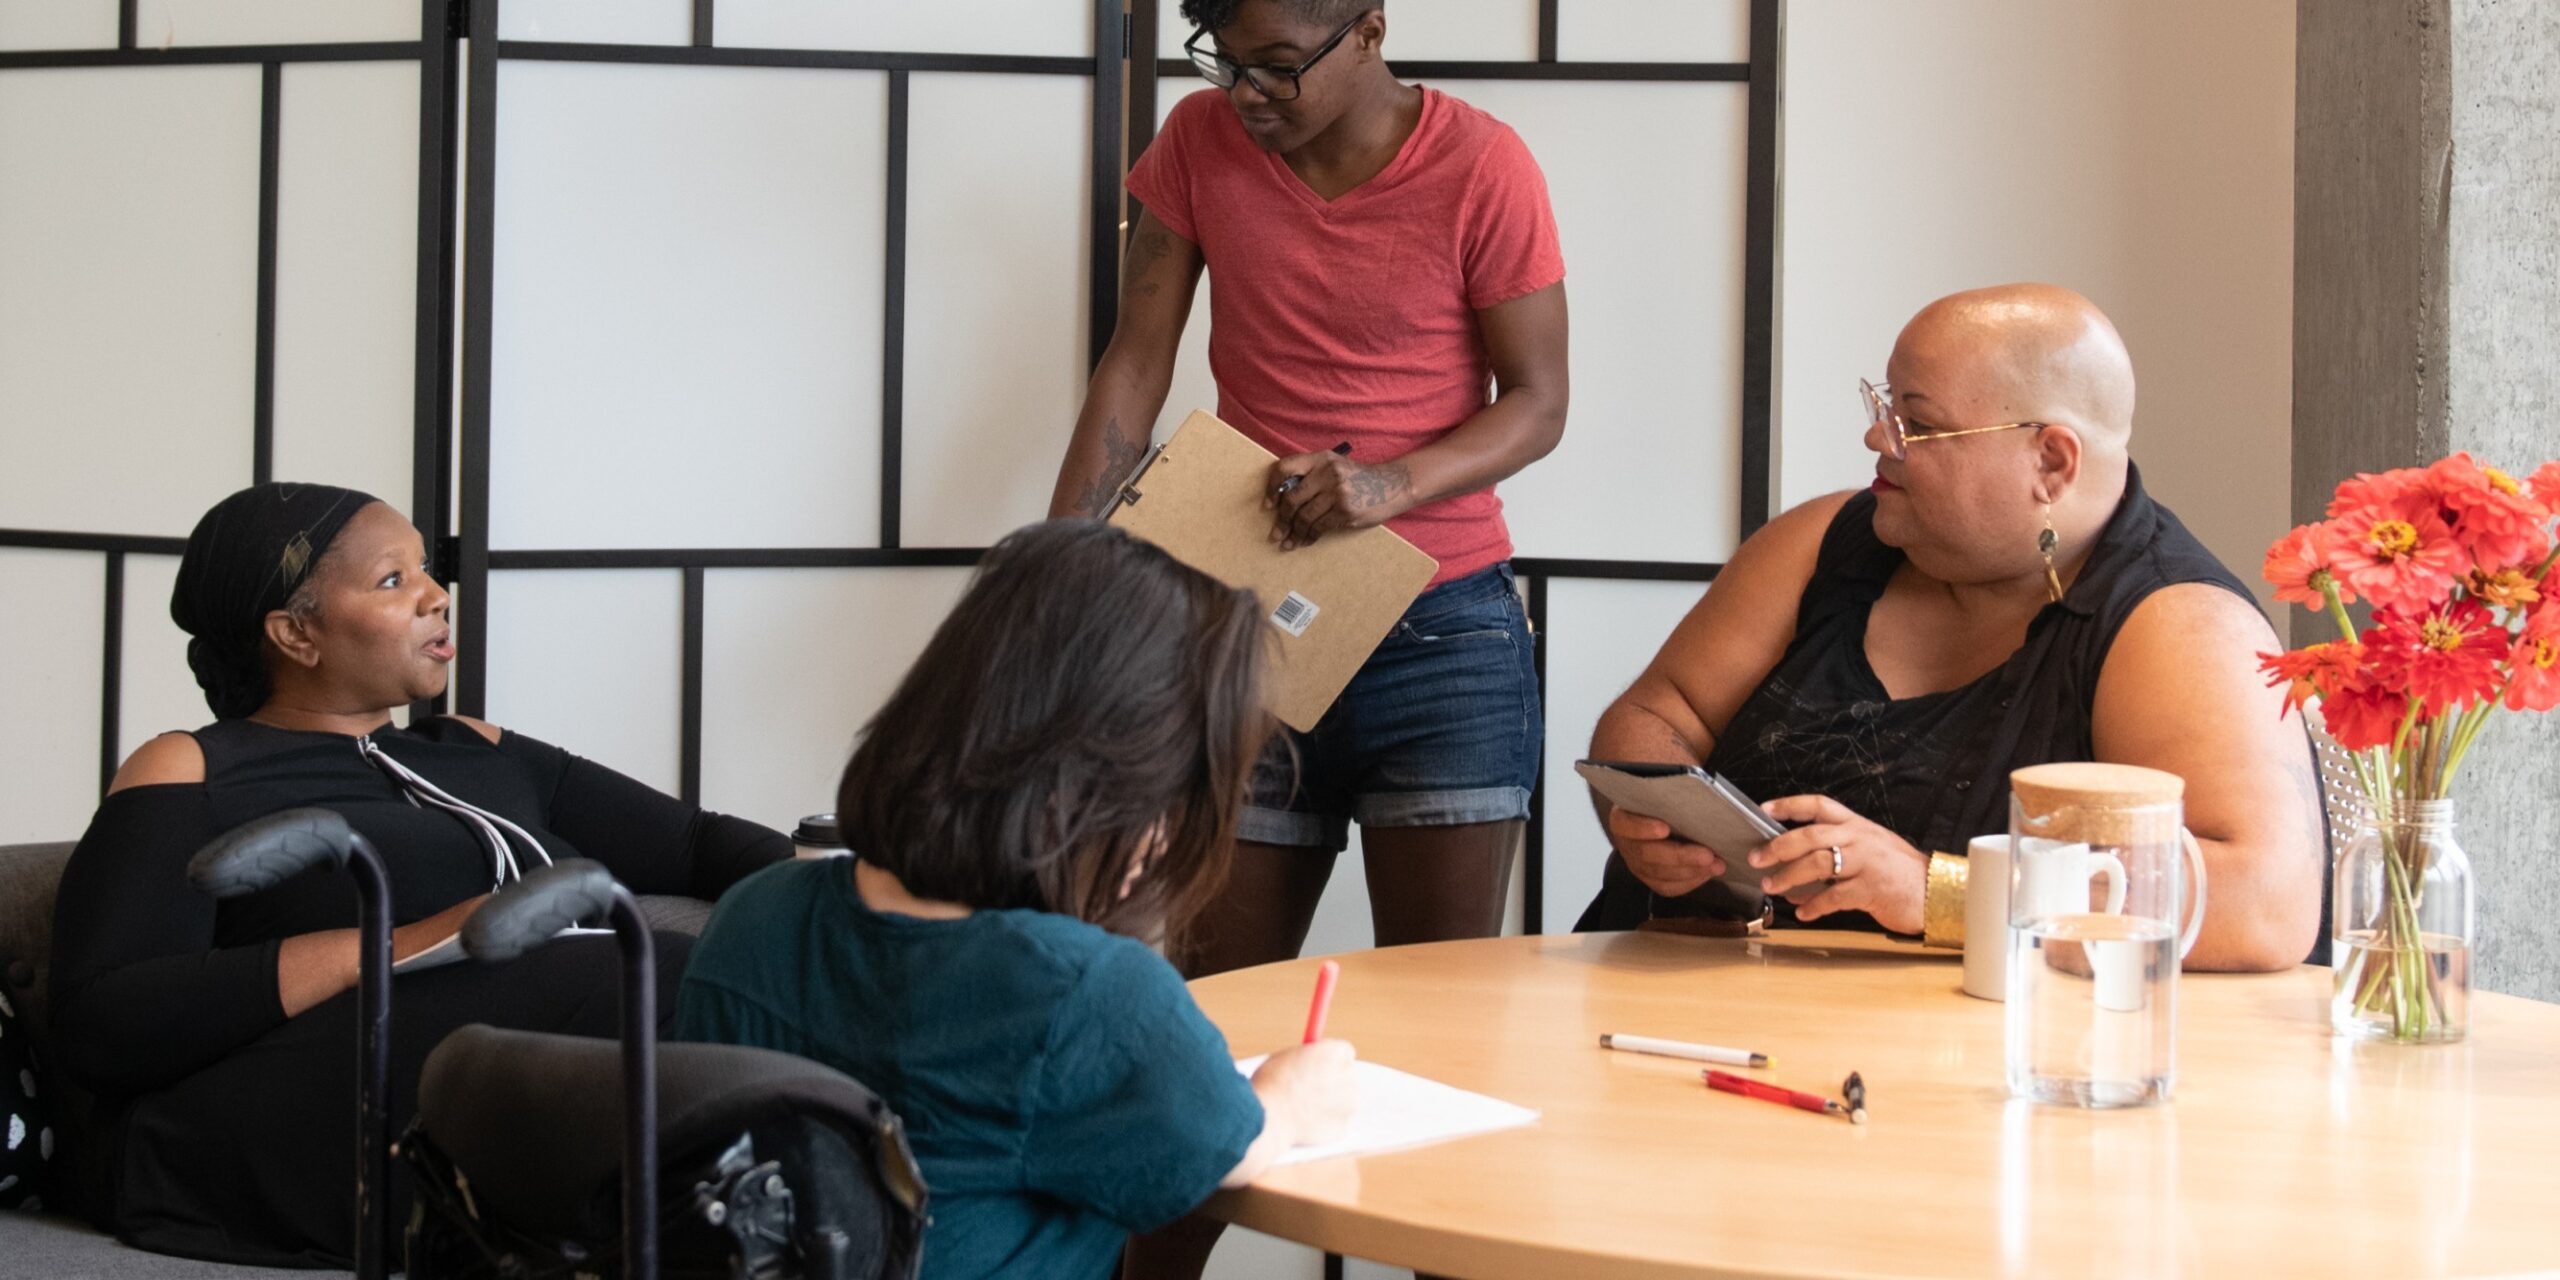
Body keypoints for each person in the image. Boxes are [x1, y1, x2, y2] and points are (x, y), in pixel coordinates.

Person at [46, 482, 791, 1266]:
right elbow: (104, 1018)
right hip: (272, 1117)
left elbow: (702, 846)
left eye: (427, 571)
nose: (438, 595)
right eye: (393, 581)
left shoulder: (474, 748)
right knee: (658, 973)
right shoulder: (194, 766)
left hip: (517, 1078)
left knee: (751, 979)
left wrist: (841, 899)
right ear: (295, 634)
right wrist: (401, 943)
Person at [673, 520, 1357, 1280]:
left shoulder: (750, 917)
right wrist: (1292, 1096)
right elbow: (1236, 1143)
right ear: (1101, 788)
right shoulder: (1088, 995)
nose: (1166, 838)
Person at [1047, 0, 1569, 988]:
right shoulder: (1198, 141)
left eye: (1279, 67)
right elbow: (1134, 365)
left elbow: (1539, 403)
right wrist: (1059, 558)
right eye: (1226, 63)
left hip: (1443, 639)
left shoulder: (1483, 165)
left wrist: (1389, 481)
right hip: (1247, 620)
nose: (1246, 95)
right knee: (1217, 1010)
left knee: (1443, 1020)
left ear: (1369, 31)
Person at [1576, 284, 2323, 971]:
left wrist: (1940, 893)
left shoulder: (2179, 625)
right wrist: (1650, 818)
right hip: (1672, 998)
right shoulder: (1822, 542)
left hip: (1952, 1073)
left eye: (1917, 423)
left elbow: (2268, 904)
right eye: (1882, 405)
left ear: (2051, 461)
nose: (1879, 440)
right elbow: (1653, 712)